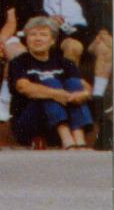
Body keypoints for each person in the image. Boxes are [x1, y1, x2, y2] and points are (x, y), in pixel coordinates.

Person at [13, 0, 110, 100]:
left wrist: (103, 30)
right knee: (73, 46)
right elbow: (25, 20)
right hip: (58, 35)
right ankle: (69, 94)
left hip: (85, 31)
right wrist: (47, 21)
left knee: (106, 46)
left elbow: (95, 10)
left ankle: (98, 96)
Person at [5, 17, 95, 150]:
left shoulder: (64, 62)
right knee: (49, 83)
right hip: (30, 124)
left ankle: (79, 138)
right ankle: (67, 139)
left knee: (74, 83)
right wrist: (55, 94)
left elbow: (84, 86)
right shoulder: (19, 62)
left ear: (52, 40)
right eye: (33, 34)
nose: (38, 38)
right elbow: (23, 87)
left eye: (43, 35)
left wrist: (83, 94)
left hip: (59, 120)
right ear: (26, 40)